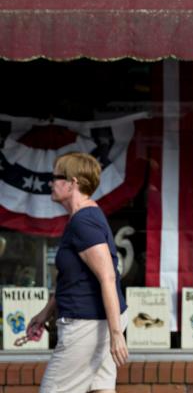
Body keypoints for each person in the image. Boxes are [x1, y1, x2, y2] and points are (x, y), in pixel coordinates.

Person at [29, 152, 129, 393]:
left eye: (55, 177)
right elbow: (73, 279)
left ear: (72, 183)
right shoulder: (83, 218)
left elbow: (107, 276)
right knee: (100, 390)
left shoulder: (83, 222)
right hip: (95, 322)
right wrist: (45, 313)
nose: (50, 183)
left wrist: (116, 334)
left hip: (88, 324)